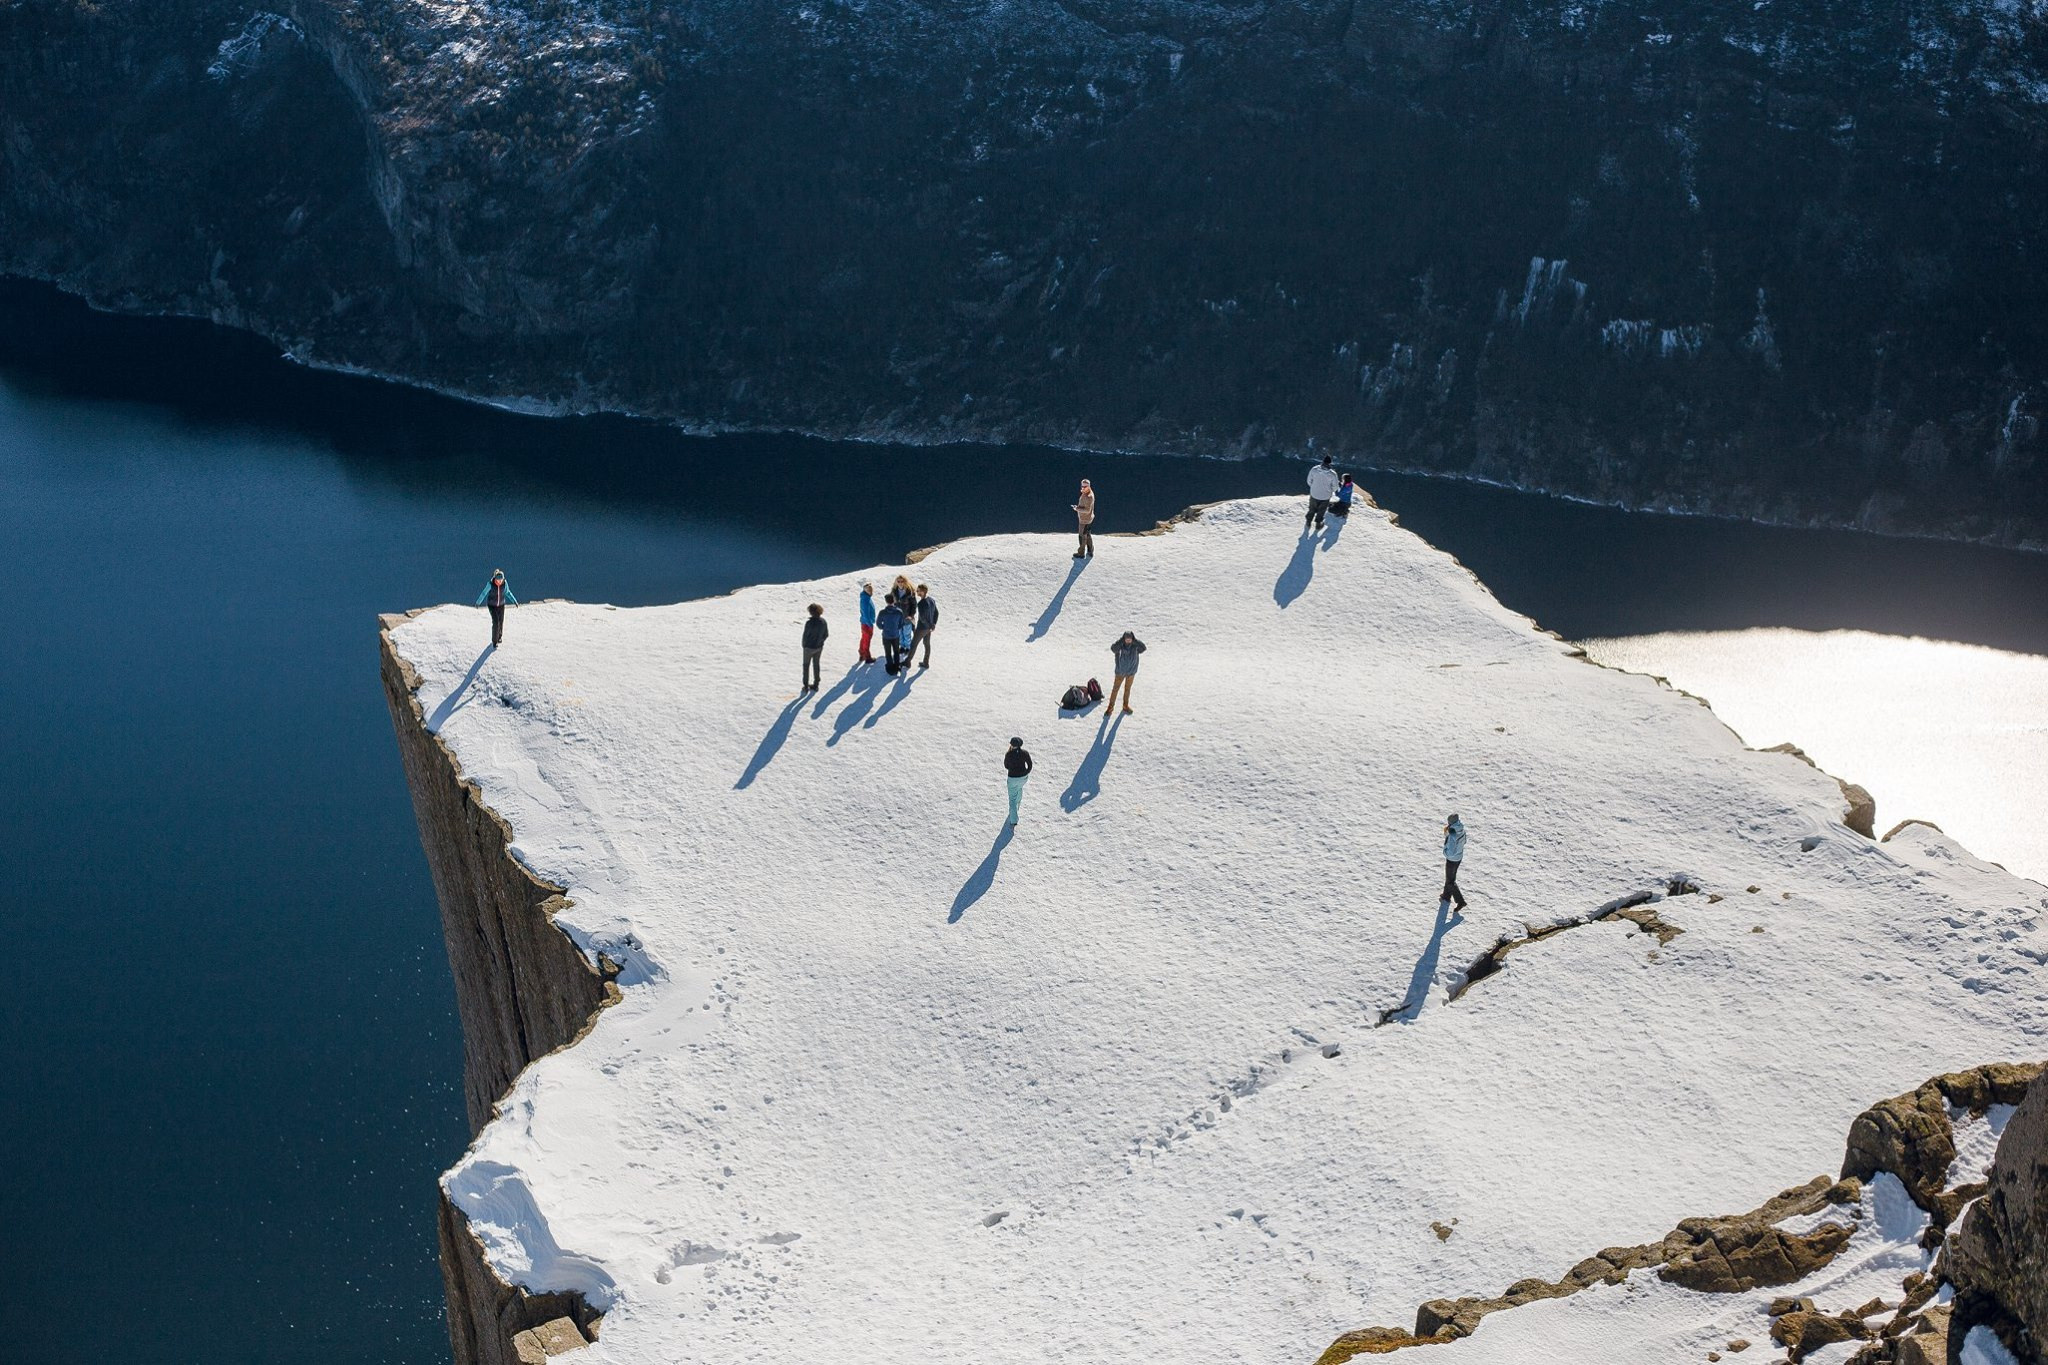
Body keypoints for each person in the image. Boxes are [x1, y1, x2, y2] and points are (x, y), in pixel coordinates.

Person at [1106, 630, 1146, 714]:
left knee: (1127, 689)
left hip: (1131, 672)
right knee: (1115, 690)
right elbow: (1113, 648)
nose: (1128, 640)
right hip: (1120, 672)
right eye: (1126, 639)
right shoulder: (1120, 646)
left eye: (1130, 639)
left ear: (1132, 639)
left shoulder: (1135, 646)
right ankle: (1110, 707)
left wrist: (1135, 641)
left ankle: (1125, 706)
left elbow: (1143, 648)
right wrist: (1120, 641)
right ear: (1123, 639)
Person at [475, 570, 517, 646]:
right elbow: (484, 593)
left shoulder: (504, 584)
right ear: (495, 579)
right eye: (498, 580)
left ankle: (499, 637)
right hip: (492, 605)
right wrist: (478, 602)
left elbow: (508, 592)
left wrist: (514, 601)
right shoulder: (490, 584)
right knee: (496, 622)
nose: (499, 582)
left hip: (501, 605)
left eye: (501, 580)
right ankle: (494, 641)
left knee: (501, 621)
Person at [1441, 814, 1469, 912]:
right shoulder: (1460, 829)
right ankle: (1446, 896)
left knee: (1450, 881)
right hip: (1459, 857)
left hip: (1452, 859)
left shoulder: (1452, 834)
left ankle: (1460, 901)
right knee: (1450, 877)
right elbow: (1464, 841)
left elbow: (1451, 851)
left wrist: (1445, 851)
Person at [1003, 737, 1033, 826]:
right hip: (1023, 778)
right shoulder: (1024, 753)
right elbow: (1030, 765)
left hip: (1012, 778)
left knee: (1012, 799)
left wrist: (1012, 769)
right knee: (1019, 789)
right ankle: (1017, 808)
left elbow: (1006, 766)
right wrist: (1026, 772)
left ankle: (1013, 820)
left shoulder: (1008, 754)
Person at [1305, 455, 1339, 531]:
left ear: (1323, 461)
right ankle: (1318, 525)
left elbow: (1309, 481)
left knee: (1312, 508)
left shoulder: (1314, 469)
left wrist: (1314, 487)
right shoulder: (1333, 474)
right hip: (1325, 496)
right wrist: (1329, 491)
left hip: (1314, 494)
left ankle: (1308, 521)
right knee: (1321, 510)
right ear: (1330, 463)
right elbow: (1335, 487)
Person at [800, 603, 829, 692]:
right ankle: (816, 684)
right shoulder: (823, 622)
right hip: (818, 647)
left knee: (806, 666)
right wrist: (821, 642)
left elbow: (805, 636)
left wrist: (804, 645)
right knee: (816, 665)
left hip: (808, 648)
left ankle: (805, 685)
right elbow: (826, 634)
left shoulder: (809, 623)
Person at [877, 596, 906, 673]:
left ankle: (890, 666)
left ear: (886, 601)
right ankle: (897, 666)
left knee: (888, 652)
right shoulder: (899, 612)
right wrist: (896, 628)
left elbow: (878, 624)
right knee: (896, 651)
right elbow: (902, 623)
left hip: (886, 635)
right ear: (894, 601)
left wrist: (884, 627)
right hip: (896, 635)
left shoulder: (882, 612)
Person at [913, 584, 939, 668]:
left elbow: (922, 618)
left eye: (918, 591)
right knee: (927, 645)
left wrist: (929, 626)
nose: (917, 592)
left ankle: (907, 662)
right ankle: (926, 662)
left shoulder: (920, 603)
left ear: (923, 592)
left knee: (913, 644)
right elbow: (936, 613)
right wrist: (933, 624)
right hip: (929, 628)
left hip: (922, 628)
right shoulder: (931, 600)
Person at [1073, 479, 1096, 559]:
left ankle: (1081, 553)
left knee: (1082, 535)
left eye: (1085, 486)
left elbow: (1087, 510)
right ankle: (1090, 550)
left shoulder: (1089, 496)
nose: (1083, 488)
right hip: (1088, 518)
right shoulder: (1086, 492)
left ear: (1089, 486)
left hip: (1084, 520)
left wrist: (1077, 509)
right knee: (1087, 534)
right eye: (1082, 486)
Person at [857, 583, 877, 664]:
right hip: (867, 623)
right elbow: (865, 612)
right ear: (865, 590)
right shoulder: (865, 599)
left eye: (871, 589)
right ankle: (867, 657)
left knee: (864, 638)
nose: (871, 591)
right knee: (867, 640)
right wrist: (869, 623)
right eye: (869, 590)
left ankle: (862, 653)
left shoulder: (866, 597)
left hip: (866, 622)